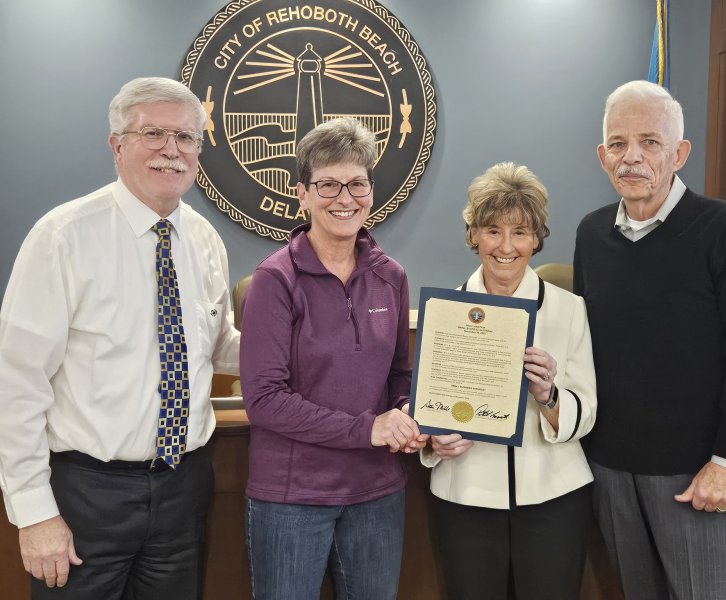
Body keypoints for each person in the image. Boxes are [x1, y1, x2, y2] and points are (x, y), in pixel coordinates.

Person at [0, 77, 240, 599]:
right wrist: (34, 512)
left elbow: (220, 345)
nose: (171, 150)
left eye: (186, 137)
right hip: (87, 495)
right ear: (116, 145)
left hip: (184, 487)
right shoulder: (61, 238)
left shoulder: (202, 238)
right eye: (153, 133)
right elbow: (16, 385)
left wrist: (308, 346)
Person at [573, 80, 726, 599]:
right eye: (618, 144)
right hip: (613, 473)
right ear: (602, 156)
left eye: (650, 142)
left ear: (680, 153)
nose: (631, 157)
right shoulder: (591, 235)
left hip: (698, 475)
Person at [240, 117, 424, 600]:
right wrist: (367, 429)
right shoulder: (274, 280)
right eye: (327, 184)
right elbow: (264, 400)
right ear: (301, 193)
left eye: (357, 183)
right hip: (292, 498)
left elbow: (400, 374)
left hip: (378, 492)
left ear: (371, 189)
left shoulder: (392, 276)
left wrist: (407, 412)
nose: (345, 197)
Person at [421, 162, 597, 599]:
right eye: (492, 230)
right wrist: (433, 441)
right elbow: (428, 411)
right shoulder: (445, 313)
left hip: (555, 500)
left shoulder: (569, 309)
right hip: (466, 499)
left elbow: (588, 409)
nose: (505, 246)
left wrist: (549, 395)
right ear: (473, 235)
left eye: (520, 232)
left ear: (537, 239)